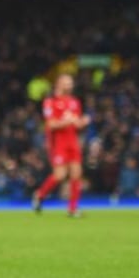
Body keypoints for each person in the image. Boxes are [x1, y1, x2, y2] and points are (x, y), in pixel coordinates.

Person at [32, 74, 91, 217]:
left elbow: (76, 124)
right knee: (59, 175)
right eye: (67, 83)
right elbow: (50, 124)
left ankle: (72, 209)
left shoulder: (74, 102)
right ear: (58, 84)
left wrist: (82, 122)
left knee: (77, 174)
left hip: (73, 141)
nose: (70, 85)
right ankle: (40, 195)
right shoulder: (50, 102)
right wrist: (67, 121)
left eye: (71, 83)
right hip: (58, 143)